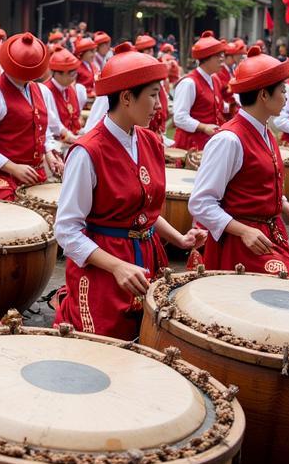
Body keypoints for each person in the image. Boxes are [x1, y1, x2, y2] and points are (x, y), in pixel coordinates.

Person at [54, 48, 206, 340]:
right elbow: (67, 231)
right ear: (126, 98)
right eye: (151, 95)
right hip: (104, 268)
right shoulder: (88, 152)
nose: (159, 105)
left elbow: (143, 211)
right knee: (108, 346)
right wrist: (117, 267)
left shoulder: (149, 140)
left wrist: (178, 238)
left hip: (146, 259)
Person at [189, 46, 289, 277]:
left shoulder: (265, 130)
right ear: (264, 95)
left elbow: (264, 185)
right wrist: (243, 231)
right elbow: (201, 203)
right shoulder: (229, 140)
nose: (286, 97)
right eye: (283, 90)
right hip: (242, 243)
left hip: (270, 232)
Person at [0, 32, 64, 200]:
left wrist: (49, 152)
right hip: (1, 173)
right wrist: (13, 167)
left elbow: (43, 131)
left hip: (33, 172)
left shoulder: (41, 91)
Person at [172, 33, 225, 150]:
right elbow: (179, 117)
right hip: (190, 146)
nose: (222, 58)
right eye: (217, 55)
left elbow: (218, 106)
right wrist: (203, 127)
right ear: (206, 58)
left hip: (207, 144)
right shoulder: (189, 83)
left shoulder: (214, 79)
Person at [44, 47, 86, 143]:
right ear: (58, 73)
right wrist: (71, 137)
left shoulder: (70, 88)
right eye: (72, 74)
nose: (74, 77)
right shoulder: (46, 91)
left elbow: (76, 118)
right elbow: (53, 125)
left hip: (73, 138)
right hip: (56, 143)